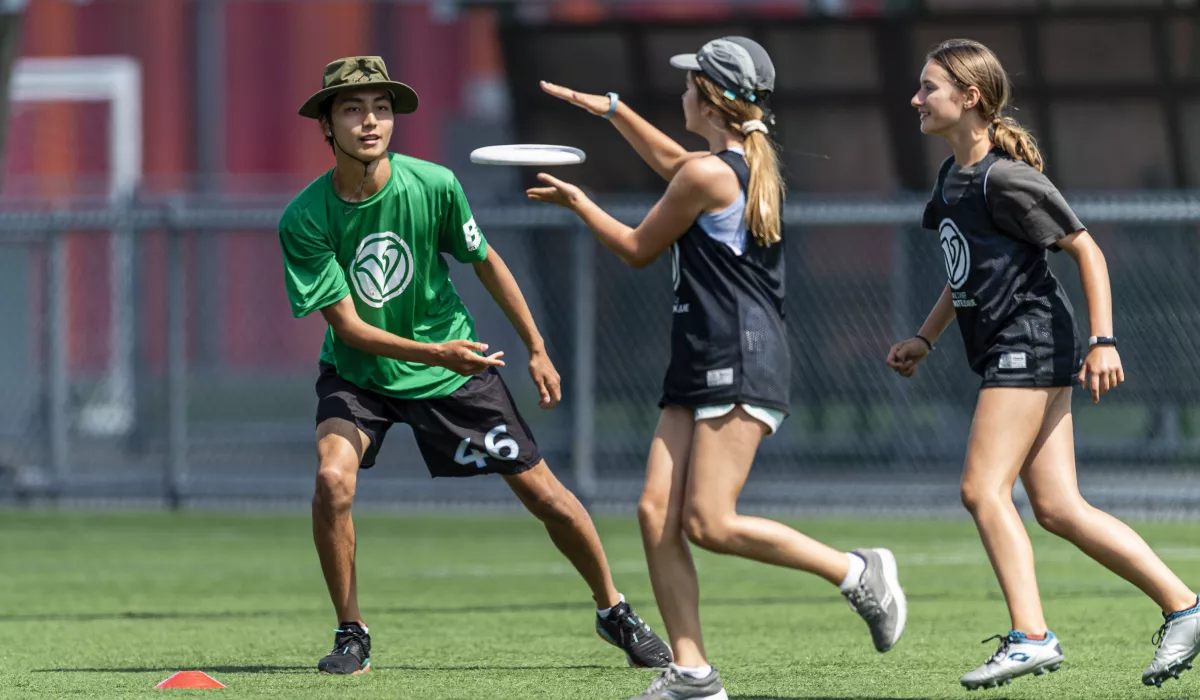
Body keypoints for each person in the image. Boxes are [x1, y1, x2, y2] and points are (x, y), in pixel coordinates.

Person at [529, 37, 906, 700]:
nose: (681, 93)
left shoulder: (709, 175)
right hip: (701, 355)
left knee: (710, 523)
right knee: (655, 512)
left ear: (708, 98)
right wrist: (612, 109)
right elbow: (673, 162)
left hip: (739, 354)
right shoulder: (722, 166)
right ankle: (693, 673)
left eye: (689, 84)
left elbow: (637, 248)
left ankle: (856, 571)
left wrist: (580, 204)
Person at [278, 56, 671, 676]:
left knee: (546, 496)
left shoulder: (434, 185)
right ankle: (352, 632)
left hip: (453, 370)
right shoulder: (304, 217)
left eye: (381, 108)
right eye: (352, 109)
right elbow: (349, 328)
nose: (370, 121)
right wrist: (434, 351)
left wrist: (536, 346)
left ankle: (614, 610)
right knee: (332, 480)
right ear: (327, 126)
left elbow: (484, 260)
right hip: (361, 373)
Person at [891, 38, 1200, 690]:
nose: (916, 99)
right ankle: (1187, 607)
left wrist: (1104, 340)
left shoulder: (1007, 178)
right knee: (1058, 508)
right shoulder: (951, 179)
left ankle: (1031, 636)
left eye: (928, 88)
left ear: (970, 97)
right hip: (1020, 344)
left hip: (1028, 342)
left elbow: (1087, 250)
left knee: (981, 490)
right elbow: (964, 271)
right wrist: (925, 337)